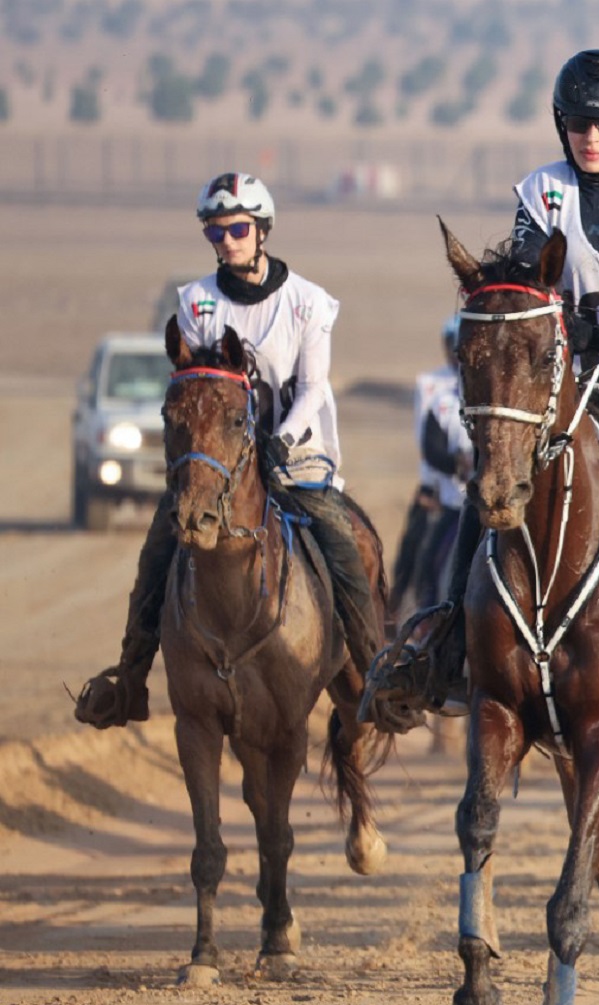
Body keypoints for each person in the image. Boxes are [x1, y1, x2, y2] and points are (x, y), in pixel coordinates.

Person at [374, 49, 599, 718]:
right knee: (493, 482)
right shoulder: (538, 194)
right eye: (579, 125)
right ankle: (449, 634)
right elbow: (523, 270)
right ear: (561, 126)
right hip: (579, 388)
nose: (593, 138)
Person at [75, 172, 380, 728]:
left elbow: (313, 388)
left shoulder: (308, 303)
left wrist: (281, 438)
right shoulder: (196, 302)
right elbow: (201, 384)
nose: (227, 241)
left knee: (343, 539)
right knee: (160, 548)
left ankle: (376, 676)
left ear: (262, 230)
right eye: (215, 233)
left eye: (237, 228)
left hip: (296, 453)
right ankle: (131, 679)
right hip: (223, 462)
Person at [391, 314, 472, 612]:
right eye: (450, 345)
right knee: (418, 552)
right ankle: (410, 615)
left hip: (479, 495)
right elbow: (430, 445)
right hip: (444, 491)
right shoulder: (437, 392)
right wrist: (455, 465)